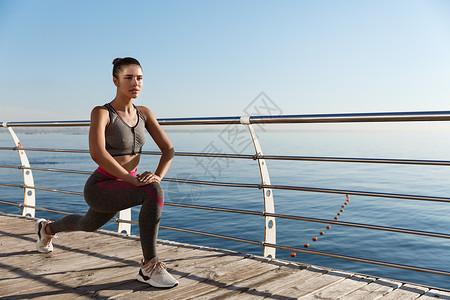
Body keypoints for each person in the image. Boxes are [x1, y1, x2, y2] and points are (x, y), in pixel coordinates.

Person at [34, 57, 178, 288]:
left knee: (87, 223)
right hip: (101, 186)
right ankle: (149, 266)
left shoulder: (145, 113)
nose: (135, 83)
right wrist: (132, 179)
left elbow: (168, 150)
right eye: (128, 78)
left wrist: (158, 175)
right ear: (115, 81)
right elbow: (98, 154)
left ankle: (46, 229)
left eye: (139, 78)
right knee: (153, 192)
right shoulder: (102, 112)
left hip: (125, 185)